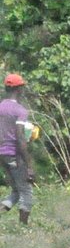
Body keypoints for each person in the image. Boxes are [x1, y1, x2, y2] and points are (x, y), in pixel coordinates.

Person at [0, 73, 32, 225]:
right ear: (19, 89)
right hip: (14, 155)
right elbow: (20, 137)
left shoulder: (1, 107)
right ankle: (23, 229)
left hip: (2, 155)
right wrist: (30, 165)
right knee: (26, 192)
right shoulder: (20, 110)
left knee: (16, 191)